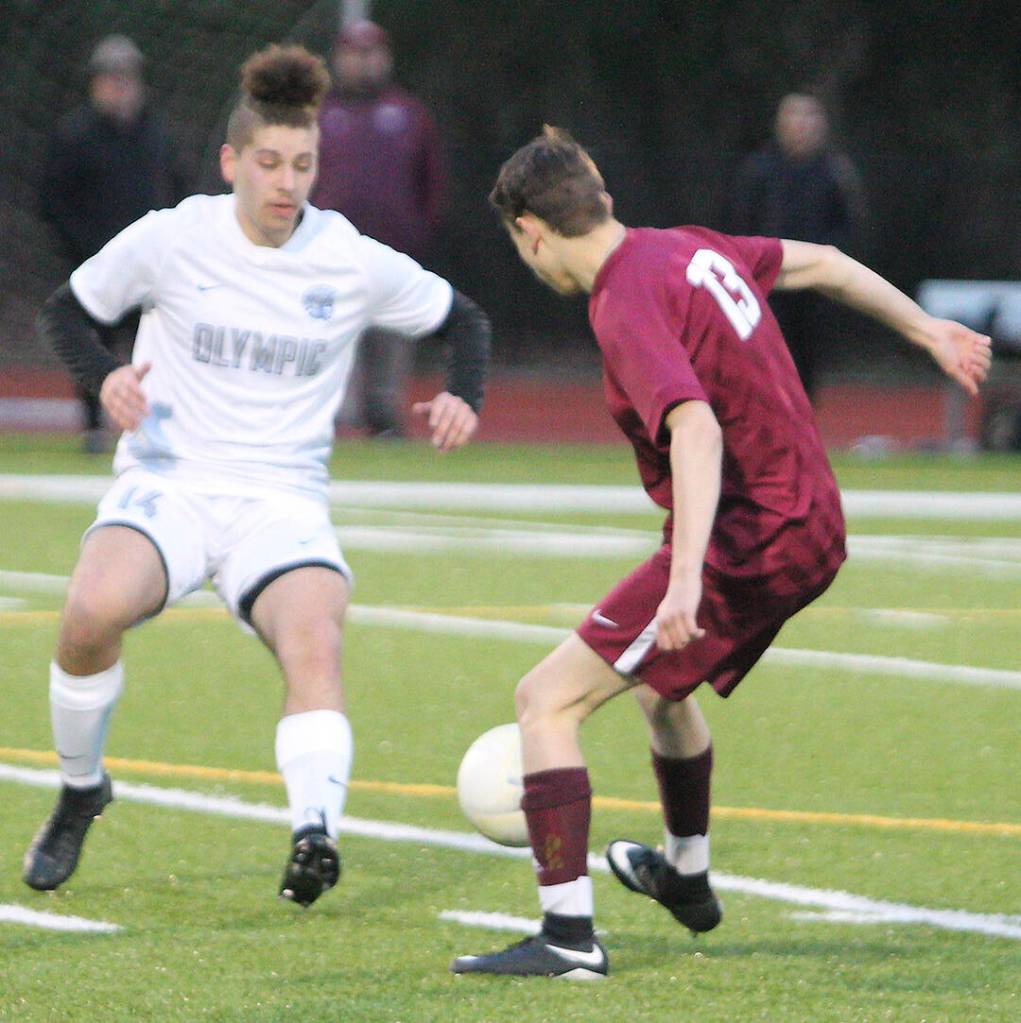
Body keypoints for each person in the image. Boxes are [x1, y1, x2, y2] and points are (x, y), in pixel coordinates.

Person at [451, 127, 990, 979]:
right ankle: (686, 873)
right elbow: (822, 263)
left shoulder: (622, 298)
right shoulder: (685, 249)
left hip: (752, 533)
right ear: (605, 199)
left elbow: (694, 428)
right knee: (661, 690)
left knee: (544, 700)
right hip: (808, 517)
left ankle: (565, 935)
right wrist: (924, 329)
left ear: (532, 233)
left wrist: (684, 580)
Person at [23, 44, 490, 909]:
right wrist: (106, 378)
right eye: (270, 162)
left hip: (280, 498)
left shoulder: (343, 256)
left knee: (314, 638)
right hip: (171, 480)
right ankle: (83, 786)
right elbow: (66, 313)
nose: (287, 182)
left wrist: (464, 393)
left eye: (303, 164)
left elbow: (462, 317)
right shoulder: (173, 236)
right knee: (88, 614)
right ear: (233, 161)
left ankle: (315, 831)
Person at [39, 34, 190, 452]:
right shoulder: (75, 135)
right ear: (95, 83)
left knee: (154, 348)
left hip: (148, 268)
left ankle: (153, 423)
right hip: (95, 261)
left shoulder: (156, 134)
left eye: (127, 78)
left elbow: (178, 194)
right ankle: (93, 428)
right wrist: (84, 250)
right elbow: (53, 201)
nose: (120, 87)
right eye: (111, 78)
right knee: (93, 344)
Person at [311, 19, 445, 437]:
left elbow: (431, 180)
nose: (363, 63)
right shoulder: (319, 114)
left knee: (389, 338)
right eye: (355, 53)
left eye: (371, 53)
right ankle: (332, 417)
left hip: (392, 250)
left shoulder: (407, 113)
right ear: (339, 58)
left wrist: (419, 231)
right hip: (329, 254)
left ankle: (384, 416)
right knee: (330, 337)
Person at [727, 92, 865, 401]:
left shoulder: (835, 173)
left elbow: (849, 228)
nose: (802, 124)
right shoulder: (758, 171)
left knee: (807, 366)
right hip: (766, 287)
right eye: (794, 115)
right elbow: (739, 226)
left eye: (809, 116)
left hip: (816, 290)